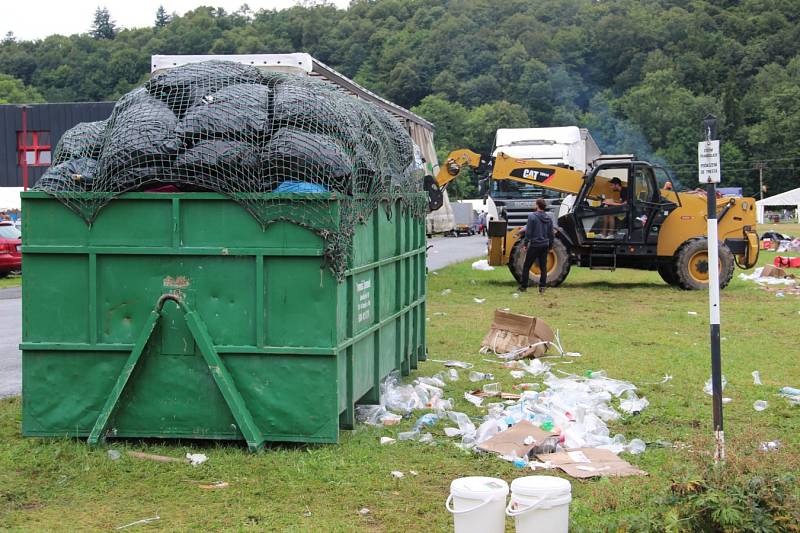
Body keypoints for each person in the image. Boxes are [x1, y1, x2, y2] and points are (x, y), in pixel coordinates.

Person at [517, 199, 554, 294]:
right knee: (543, 267)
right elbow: (551, 234)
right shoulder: (548, 218)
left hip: (535, 245)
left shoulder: (532, 216)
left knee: (526, 266)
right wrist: (550, 246)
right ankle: (542, 287)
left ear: (537, 205)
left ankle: (524, 286)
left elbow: (528, 232)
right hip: (545, 245)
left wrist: (525, 244)